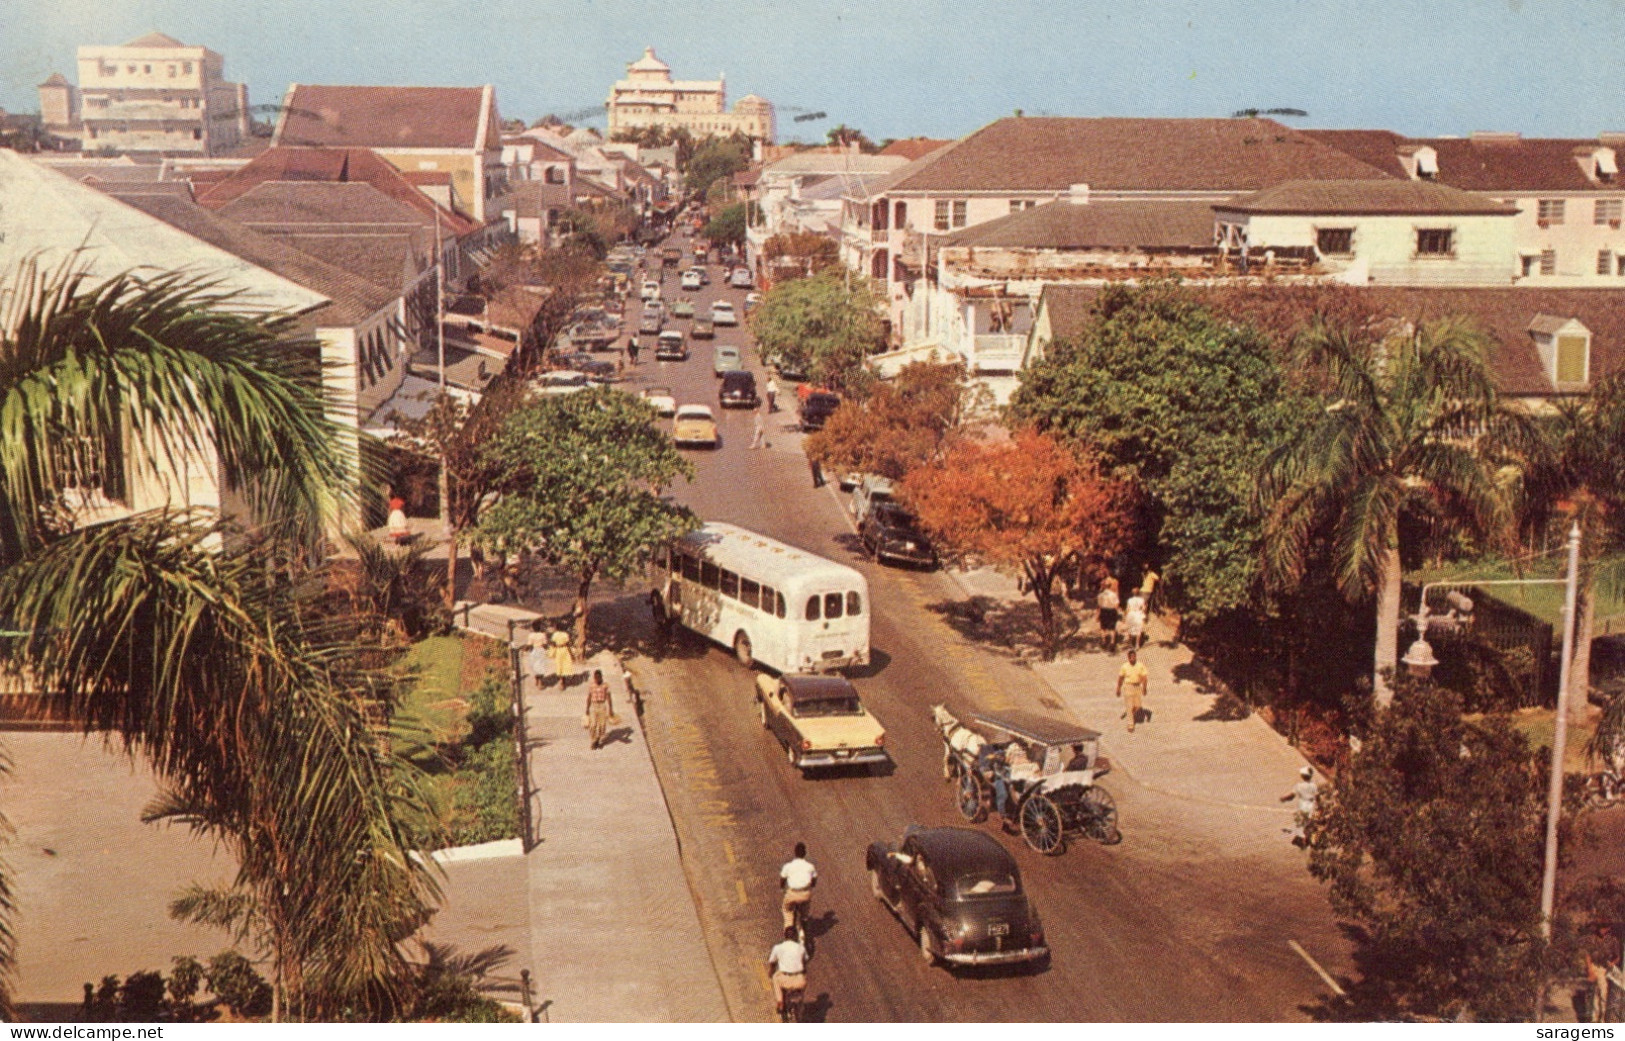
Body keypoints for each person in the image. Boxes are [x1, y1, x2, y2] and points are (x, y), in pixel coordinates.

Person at [767, 926, 807, 1016]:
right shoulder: (801, 948)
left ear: (785, 936)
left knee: (775, 978)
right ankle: (801, 1002)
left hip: (785, 980)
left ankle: (780, 1002)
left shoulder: (778, 948)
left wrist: (771, 971)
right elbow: (805, 962)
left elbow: (772, 962)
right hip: (800, 981)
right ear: (795, 936)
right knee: (803, 980)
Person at [779, 842, 817, 932]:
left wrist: (782, 888)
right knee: (805, 909)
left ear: (795, 853)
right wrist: (811, 886)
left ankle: (789, 929)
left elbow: (782, 879)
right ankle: (804, 922)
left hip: (792, 894)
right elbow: (814, 881)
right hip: (805, 894)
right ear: (805, 853)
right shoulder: (810, 866)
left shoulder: (788, 866)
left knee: (787, 910)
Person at [1281, 766, 1318, 847]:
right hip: (1310, 807)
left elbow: (1291, 796)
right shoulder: (1314, 786)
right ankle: (1305, 837)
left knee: (1300, 822)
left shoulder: (1299, 786)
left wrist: (1284, 798)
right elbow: (1317, 796)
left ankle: (1303, 839)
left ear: (1302, 776)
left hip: (1302, 807)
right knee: (1307, 822)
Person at [1117, 648, 1149, 732]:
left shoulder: (1140, 665)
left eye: (1134, 656)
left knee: (1138, 706)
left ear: (1136, 657)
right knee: (1129, 706)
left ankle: (1130, 712)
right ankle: (1130, 724)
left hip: (1138, 687)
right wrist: (1118, 688)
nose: (1132, 658)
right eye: (1131, 657)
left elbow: (1145, 678)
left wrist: (1145, 688)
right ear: (1128, 658)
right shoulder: (1124, 666)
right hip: (1128, 687)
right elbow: (1120, 678)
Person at [584, 668, 615, 750]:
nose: (597, 679)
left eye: (598, 677)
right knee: (593, 724)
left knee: (602, 725)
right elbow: (589, 697)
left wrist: (611, 709)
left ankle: (598, 738)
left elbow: (609, 697)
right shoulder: (591, 685)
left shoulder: (605, 685)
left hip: (602, 706)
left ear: (601, 677)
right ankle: (593, 740)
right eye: (595, 678)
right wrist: (587, 708)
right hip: (594, 706)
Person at [1096, 577, 1121, 653]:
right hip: (1111, 611)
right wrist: (1117, 613)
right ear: (1110, 586)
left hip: (1104, 611)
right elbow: (1116, 605)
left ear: (1104, 586)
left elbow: (1099, 606)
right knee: (1112, 628)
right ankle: (1112, 642)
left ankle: (1103, 641)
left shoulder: (1100, 595)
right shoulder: (1113, 595)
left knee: (1103, 627)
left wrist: (1098, 615)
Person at [526, 621, 550, 693]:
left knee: (535, 666)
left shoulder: (531, 635)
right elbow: (545, 644)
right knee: (541, 666)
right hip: (541, 651)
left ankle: (536, 679)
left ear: (533, 628)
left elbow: (529, 645)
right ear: (540, 627)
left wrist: (526, 649)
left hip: (534, 651)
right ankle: (540, 682)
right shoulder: (543, 635)